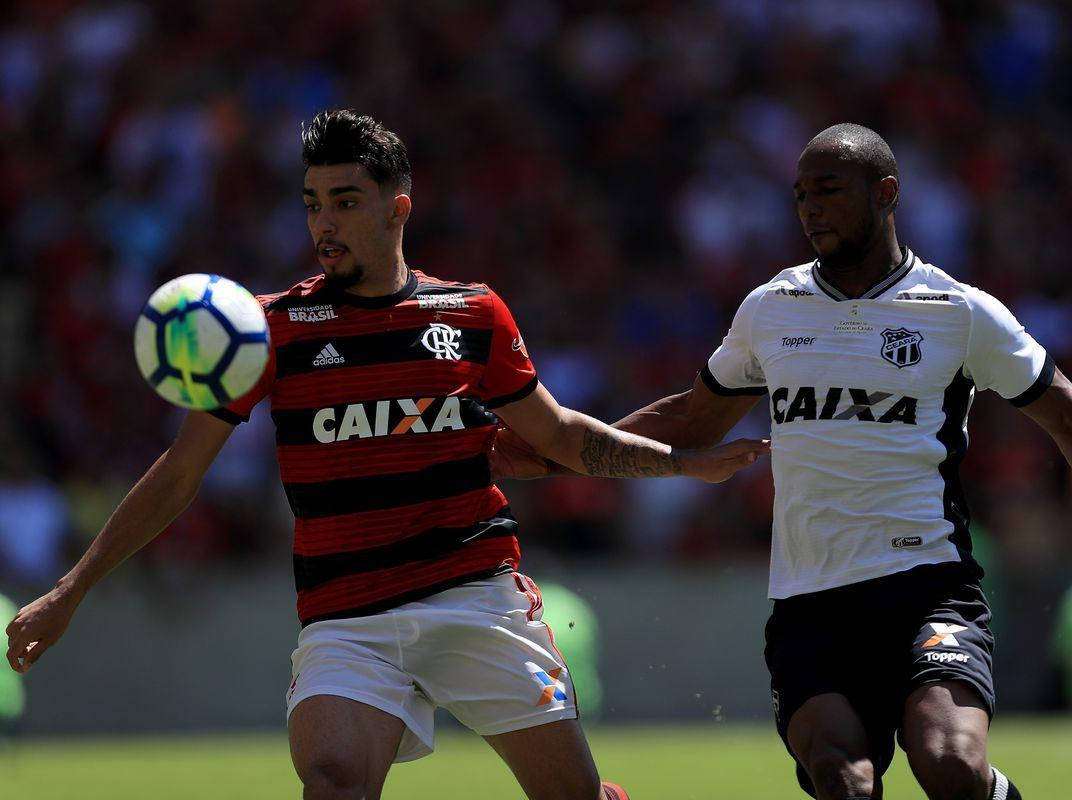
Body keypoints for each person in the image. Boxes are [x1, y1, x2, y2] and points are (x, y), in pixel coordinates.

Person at [4, 109, 769, 800]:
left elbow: (560, 437)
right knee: (333, 782)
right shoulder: (270, 328)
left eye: (344, 201)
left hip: (474, 595)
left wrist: (677, 461)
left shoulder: (470, 313)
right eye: (312, 204)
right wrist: (71, 591)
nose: (323, 224)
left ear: (396, 207)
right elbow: (178, 475)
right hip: (348, 618)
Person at [494, 123, 1072, 800]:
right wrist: (561, 456)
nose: (810, 209)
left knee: (949, 765)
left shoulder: (956, 310)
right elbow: (692, 419)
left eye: (828, 190)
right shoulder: (772, 309)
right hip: (812, 601)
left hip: (929, 587)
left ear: (885, 192)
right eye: (800, 196)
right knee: (842, 778)